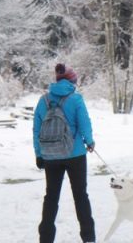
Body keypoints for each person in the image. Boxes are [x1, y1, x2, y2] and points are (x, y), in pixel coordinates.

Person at [33, 63, 96, 243]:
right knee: (80, 196)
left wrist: (39, 154)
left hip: (50, 156)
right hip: (75, 155)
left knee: (51, 197)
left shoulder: (43, 100)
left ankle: (45, 239)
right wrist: (89, 142)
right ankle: (88, 238)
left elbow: (36, 129)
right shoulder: (76, 99)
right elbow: (84, 123)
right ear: (72, 81)